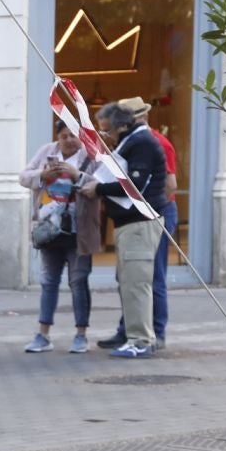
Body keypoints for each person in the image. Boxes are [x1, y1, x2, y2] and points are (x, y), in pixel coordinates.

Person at [83, 101, 166, 359]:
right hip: (130, 223)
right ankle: (133, 334)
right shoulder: (132, 142)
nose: (106, 135)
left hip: (139, 224)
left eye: (107, 130)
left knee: (136, 283)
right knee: (128, 281)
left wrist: (99, 189)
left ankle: (140, 340)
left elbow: (134, 185)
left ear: (121, 125)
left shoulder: (141, 143)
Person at [18, 118, 95, 353]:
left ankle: (81, 335)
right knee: (49, 281)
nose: (69, 140)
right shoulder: (47, 152)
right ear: (57, 137)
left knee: (78, 281)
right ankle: (43, 335)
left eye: (73, 136)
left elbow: (101, 184)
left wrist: (77, 175)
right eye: (64, 136)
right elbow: (23, 177)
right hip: (49, 229)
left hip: (78, 230)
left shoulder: (91, 156)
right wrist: (43, 175)